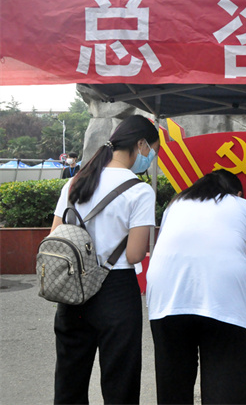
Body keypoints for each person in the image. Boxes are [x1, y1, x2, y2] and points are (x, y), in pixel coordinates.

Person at [50, 115, 159, 404]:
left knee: (69, 378)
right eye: (152, 151)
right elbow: (135, 254)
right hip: (116, 289)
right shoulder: (139, 190)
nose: (151, 157)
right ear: (140, 144)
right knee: (120, 381)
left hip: (73, 289)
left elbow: (54, 236)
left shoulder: (75, 182)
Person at [146, 169, 246, 404]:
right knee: (225, 389)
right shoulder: (240, 205)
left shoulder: (176, 205)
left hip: (166, 301)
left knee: (173, 387)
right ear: (237, 193)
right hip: (222, 302)